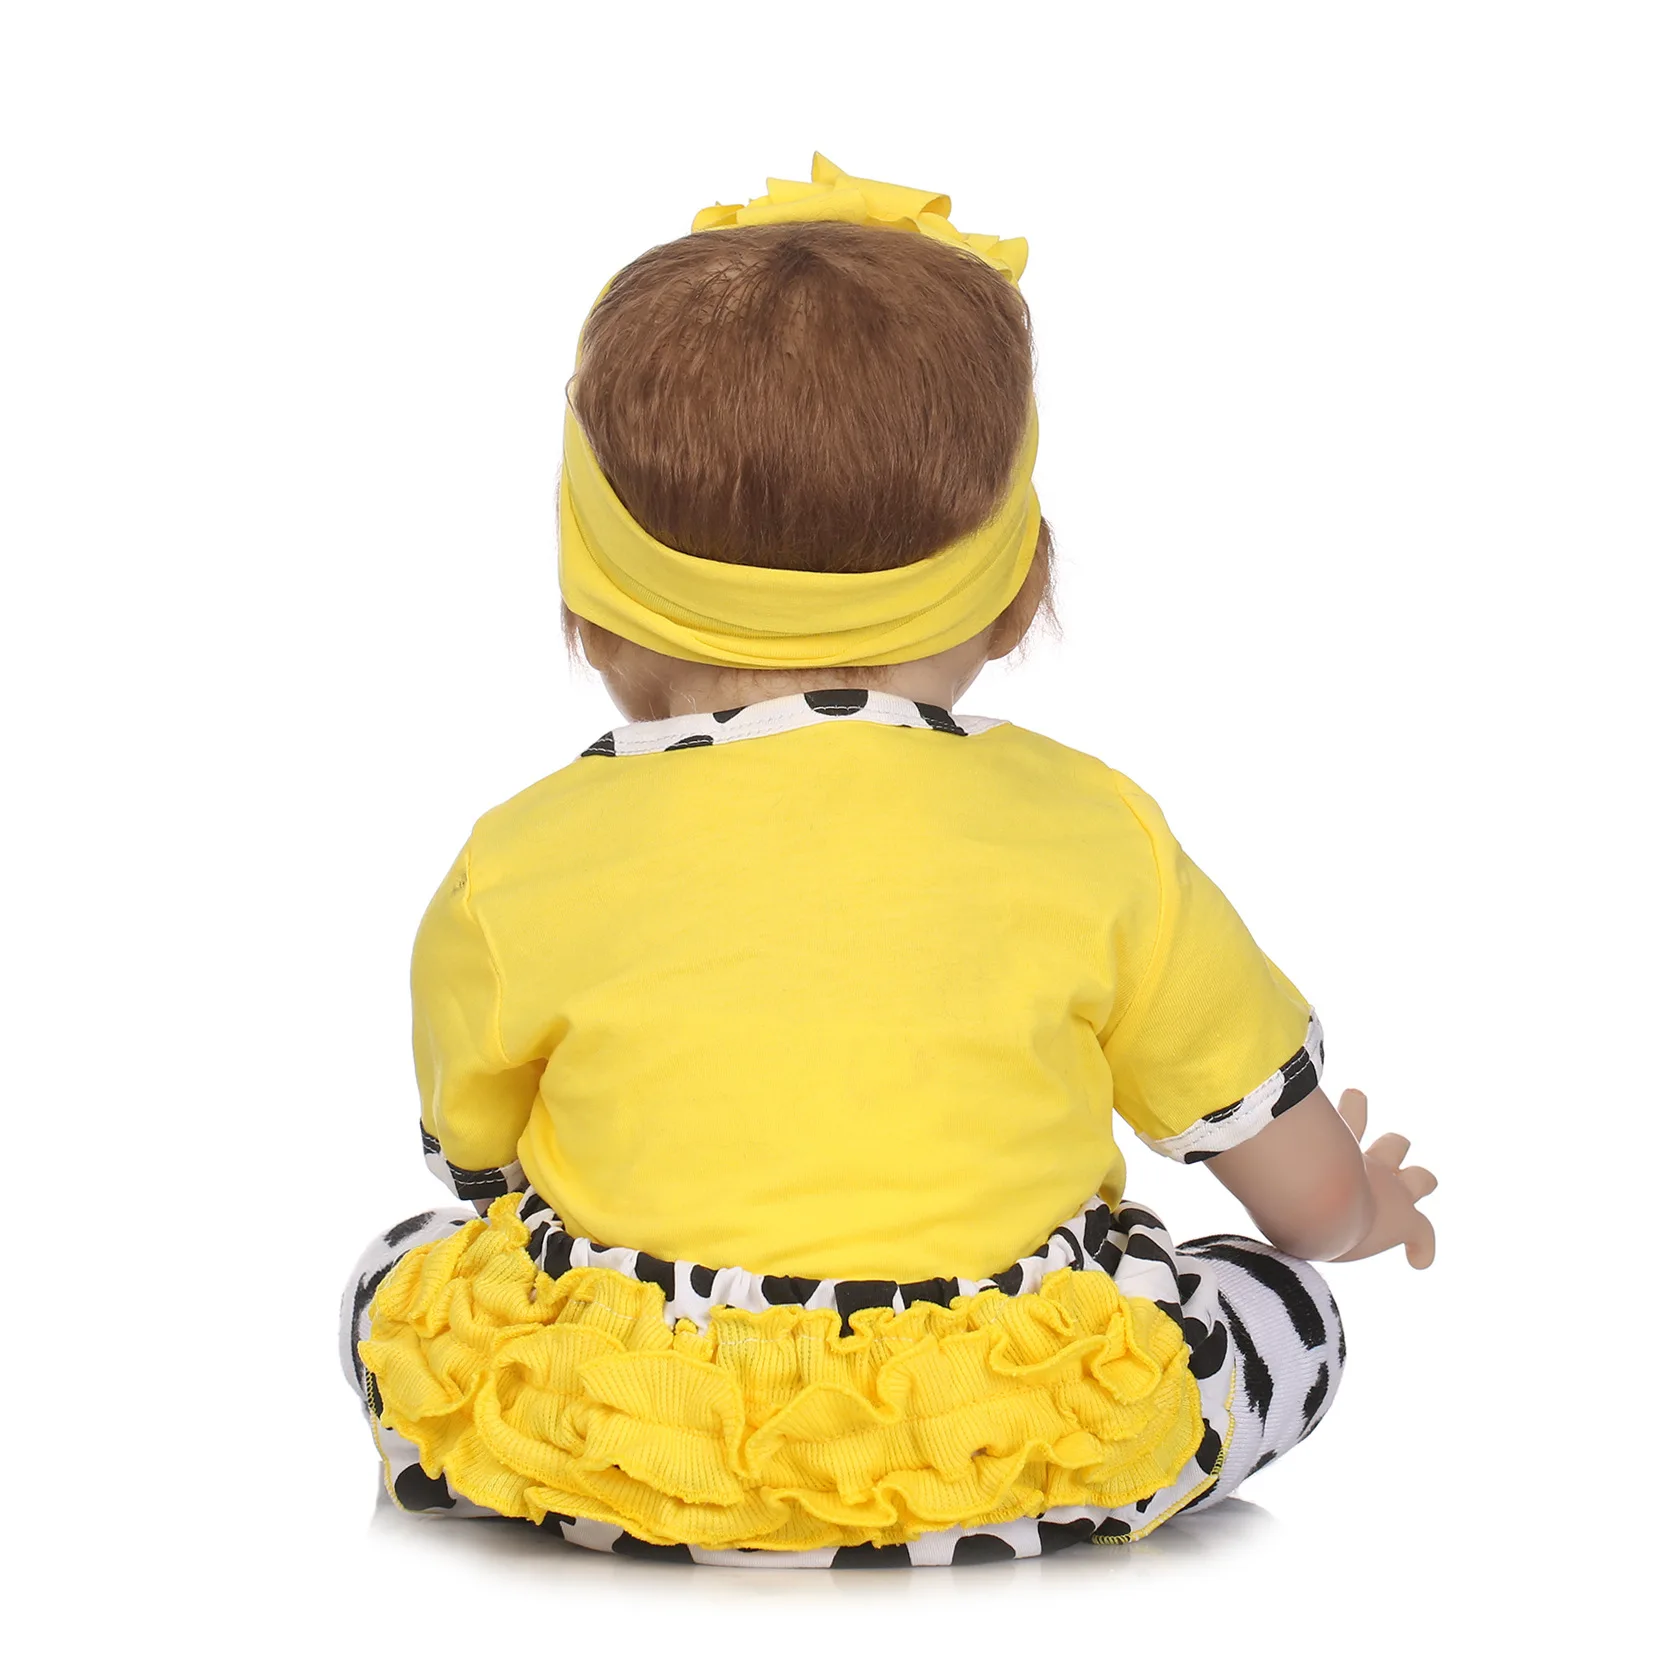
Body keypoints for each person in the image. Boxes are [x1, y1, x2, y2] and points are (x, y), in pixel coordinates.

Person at [340, 155, 1437, 1568]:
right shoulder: (1095, 832)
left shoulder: (522, 857)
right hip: (1011, 1441)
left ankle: (630, 1489)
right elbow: (1299, 1189)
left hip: (628, 1435)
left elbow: (478, 1169)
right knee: (1287, 1311)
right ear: (1015, 592)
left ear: (592, 605)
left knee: (402, 1273)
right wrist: (1359, 1208)